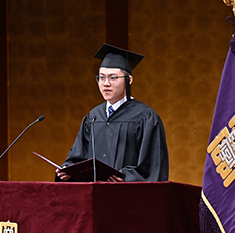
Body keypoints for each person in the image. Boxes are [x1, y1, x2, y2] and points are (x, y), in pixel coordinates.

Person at [56, 43, 169, 182]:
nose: (106, 83)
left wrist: (125, 177)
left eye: (113, 78)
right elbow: (78, 157)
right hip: (95, 197)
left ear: (129, 80)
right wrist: (68, 169)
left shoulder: (145, 117)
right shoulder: (93, 117)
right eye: (101, 77)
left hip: (127, 199)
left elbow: (152, 167)